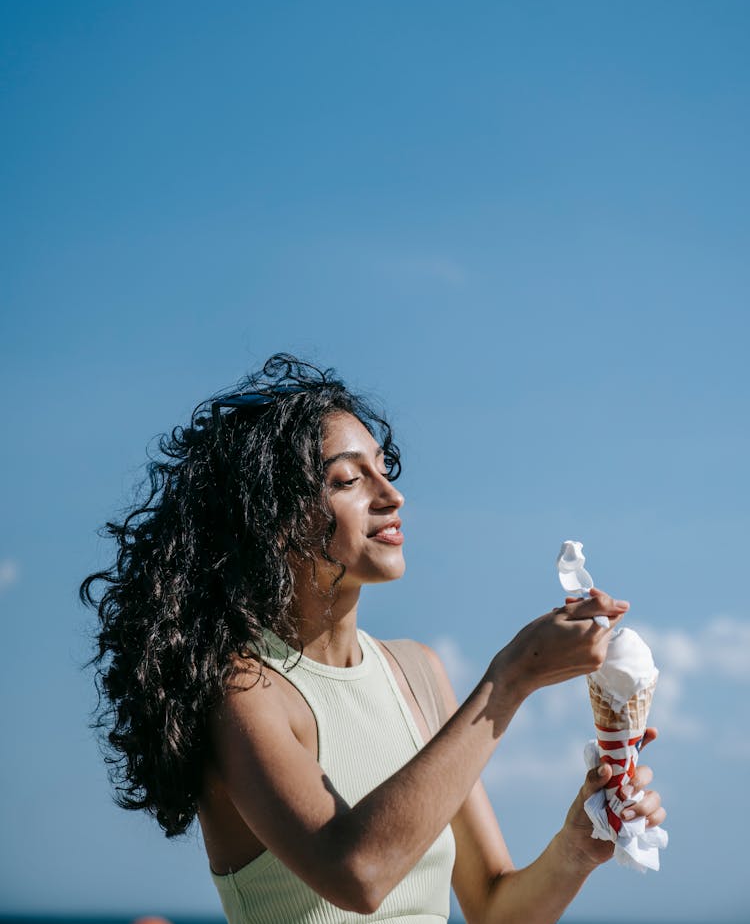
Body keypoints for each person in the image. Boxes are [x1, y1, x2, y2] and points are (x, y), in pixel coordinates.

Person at [81, 353, 665, 924]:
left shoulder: (415, 671)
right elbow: (356, 874)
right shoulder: (242, 689)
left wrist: (576, 847)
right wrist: (511, 679)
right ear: (272, 518)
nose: (391, 495)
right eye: (348, 479)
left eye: (384, 469)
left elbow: (493, 907)